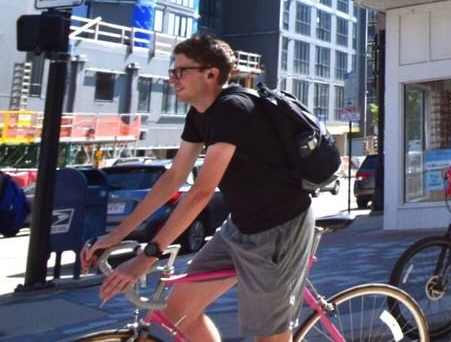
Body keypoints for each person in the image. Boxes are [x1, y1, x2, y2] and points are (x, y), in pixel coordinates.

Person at [82, 35, 315, 342]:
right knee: (177, 312)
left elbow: (202, 190)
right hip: (240, 226)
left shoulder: (234, 108)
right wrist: (116, 235)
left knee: (268, 337)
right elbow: (173, 177)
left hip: (279, 229)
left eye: (181, 71)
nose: (173, 78)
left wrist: (148, 256)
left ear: (211, 74)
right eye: (172, 71)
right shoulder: (200, 113)